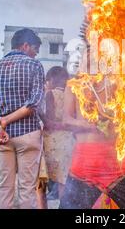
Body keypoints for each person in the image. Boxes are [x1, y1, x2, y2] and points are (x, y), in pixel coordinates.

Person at [58, 53, 125, 209]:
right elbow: (66, 120)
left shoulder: (116, 85)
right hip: (85, 164)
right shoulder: (74, 87)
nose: (89, 66)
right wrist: (89, 125)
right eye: (85, 62)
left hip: (115, 162)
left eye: (93, 61)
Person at [0, 28, 45, 209]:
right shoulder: (34, 65)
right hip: (28, 134)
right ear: (25, 45)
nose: (36, 54)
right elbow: (34, 103)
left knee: (4, 187)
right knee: (27, 188)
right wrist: (5, 121)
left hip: (3, 136)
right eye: (35, 49)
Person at [38, 66, 75, 203]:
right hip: (68, 140)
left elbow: (50, 120)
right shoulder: (72, 95)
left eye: (48, 80)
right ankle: (64, 205)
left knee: (41, 177)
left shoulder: (50, 94)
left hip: (52, 141)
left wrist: (41, 115)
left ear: (52, 79)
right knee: (63, 180)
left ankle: (42, 204)